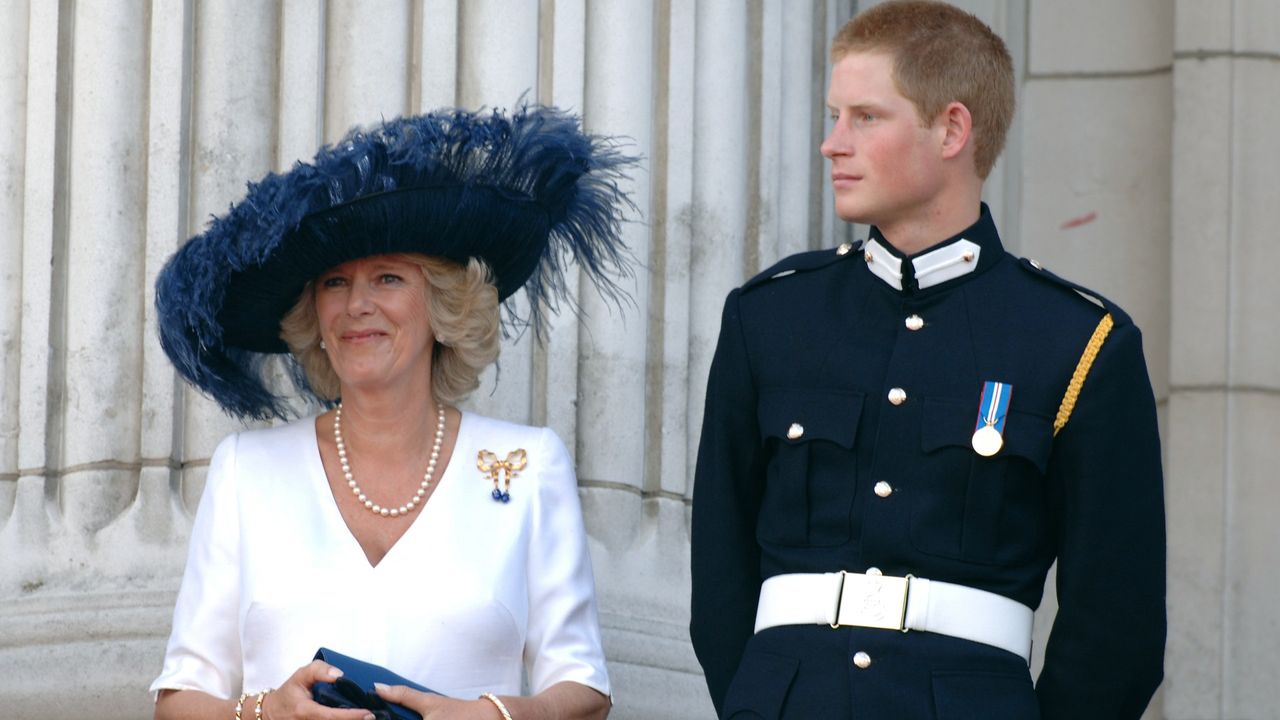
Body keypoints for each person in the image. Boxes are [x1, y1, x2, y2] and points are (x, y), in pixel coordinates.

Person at [689, 2, 1166, 718]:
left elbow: (1116, 632)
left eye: (865, 117)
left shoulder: (1077, 341)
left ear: (952, 129)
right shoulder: (771, 316)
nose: (832, 143)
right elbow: (721, 574)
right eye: (833, 114)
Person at [150, 105, 637, 720]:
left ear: (443, 304)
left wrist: (492, 715)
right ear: (314, 317)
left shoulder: (527, 465)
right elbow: (179, 700)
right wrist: (263, 712)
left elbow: (583, 687)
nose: (357, 305)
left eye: (386, 279)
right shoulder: (247, 469)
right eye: (334, 283)